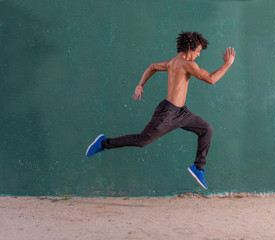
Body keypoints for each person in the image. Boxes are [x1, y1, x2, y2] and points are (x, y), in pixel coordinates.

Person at [86, 32, 235, 189]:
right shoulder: (187, 64)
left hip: (181, 112)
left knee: (206, 129)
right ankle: (103, 143)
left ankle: (198, 168)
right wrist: (228, 64)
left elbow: (152, 67)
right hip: (168, 113)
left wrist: (140, 84)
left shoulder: (173, 62)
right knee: (141, 141)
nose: (198, 55)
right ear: (190, 48)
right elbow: (211, 79)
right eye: (198, 51)